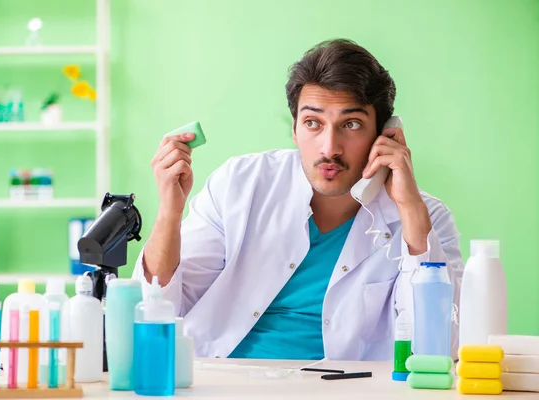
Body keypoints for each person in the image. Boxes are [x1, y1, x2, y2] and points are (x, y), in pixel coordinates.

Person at [132, 38, 464, 361]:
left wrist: (408, 209)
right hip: (223, 381)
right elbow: (159, 307)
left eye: (351, 124)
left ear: (384, 133)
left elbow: (439, 351)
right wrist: (169, 214)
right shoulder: (240, 183)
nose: (329, 147)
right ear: (294, 129)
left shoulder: (426, 218)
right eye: (312, 123)